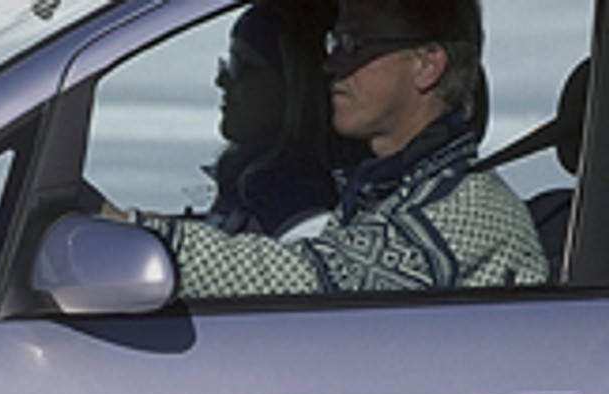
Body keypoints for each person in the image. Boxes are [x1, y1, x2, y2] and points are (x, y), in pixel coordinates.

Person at [113, 0, 547, 297]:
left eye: (353, 46)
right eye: (333, 44)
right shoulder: (386, 191)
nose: (331, 64)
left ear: (427, 64)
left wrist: (130, 233)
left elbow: (312, 280)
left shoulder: (467, 209)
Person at [204, 1, 341, 236]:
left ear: (294, 85)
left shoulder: (300, 206)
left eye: (242, 66)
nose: (222, 80)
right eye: (228, 64)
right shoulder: (252, 183)